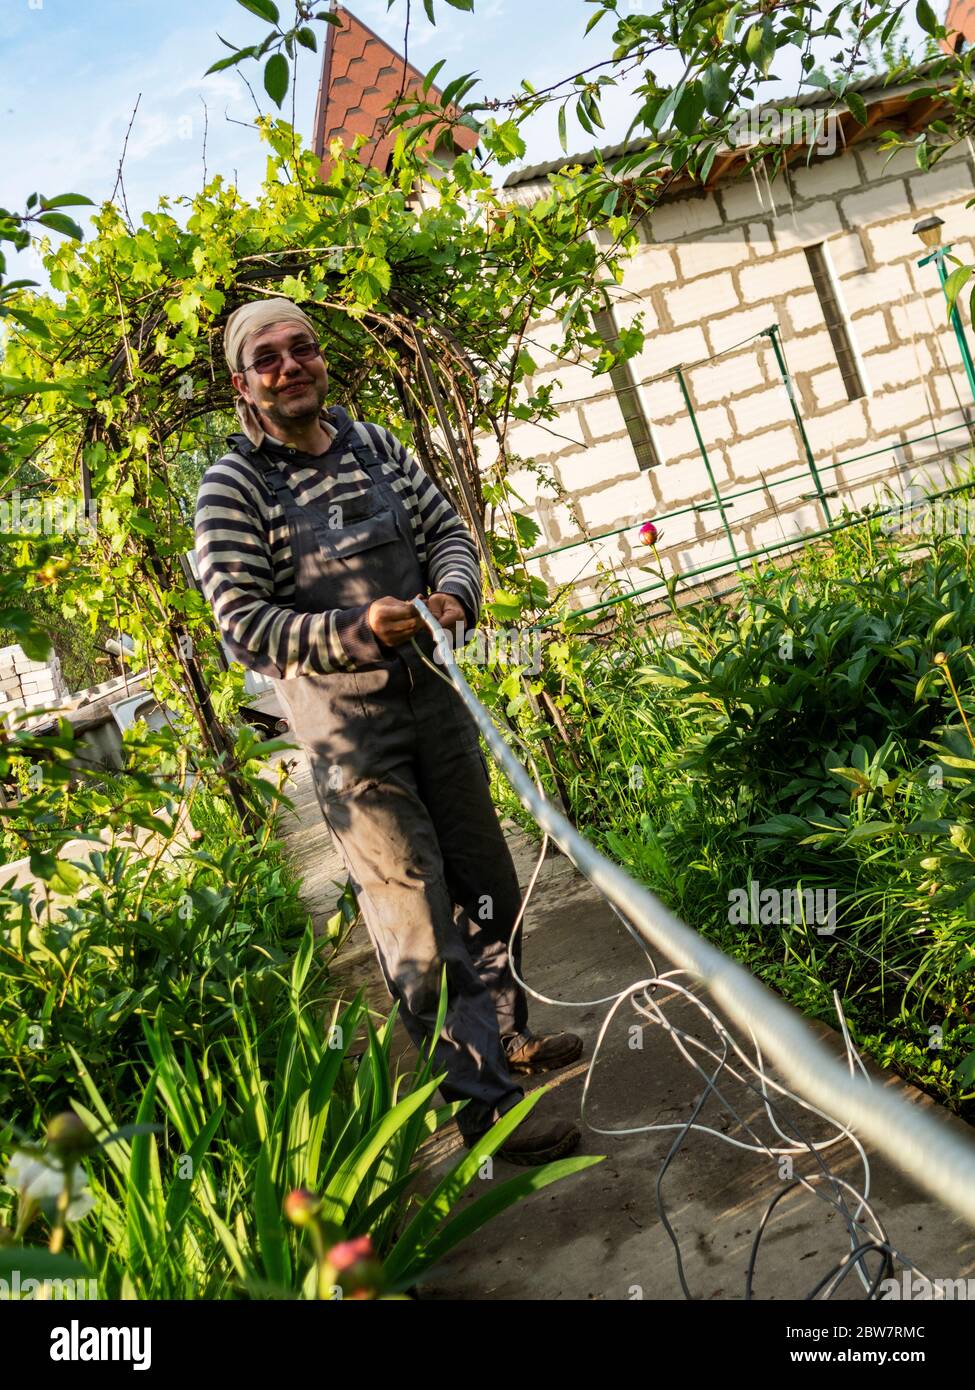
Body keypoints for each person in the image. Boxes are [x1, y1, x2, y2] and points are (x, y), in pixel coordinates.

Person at [194, 296, 582, 1164]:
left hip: (435, 701)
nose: (289, 367)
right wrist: (353, 631)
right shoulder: (234, 489)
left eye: (302, 349)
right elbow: (242, 624)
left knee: (486, 880)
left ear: (320, 360)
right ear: (243, 384)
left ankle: (510, 1039)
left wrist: (453, 594)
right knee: (415, 915)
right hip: (349, 734)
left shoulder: (374, 447)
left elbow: (448, 531)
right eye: (268, 359)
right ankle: (488, 1116)